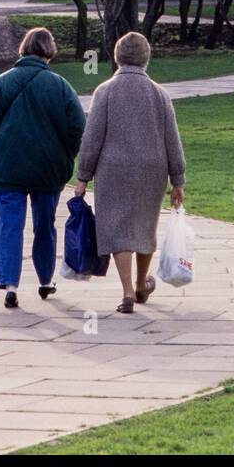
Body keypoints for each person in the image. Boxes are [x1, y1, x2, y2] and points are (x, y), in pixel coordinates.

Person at [0, 26, 86, 308]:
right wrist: (65, 156)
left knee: (9, 224)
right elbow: (78, 127)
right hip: (48, 171)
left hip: (7, 171)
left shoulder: (1, 84)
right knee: (45, 225)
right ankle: (45, 280)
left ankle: (10, 284)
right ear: (49, 51)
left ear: (23, 48)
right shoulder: (61, 86)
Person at [75, 30, 185, 313]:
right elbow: (172, 139)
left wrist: (83, 176)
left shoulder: (105, 91)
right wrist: (178, 179)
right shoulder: (160, 94)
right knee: (144, 228)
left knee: (117, 228)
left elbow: (92, 137)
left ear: (117, 56)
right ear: (147, 58)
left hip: (113, 170)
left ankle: (126, 292)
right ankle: (140, 285)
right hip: (152, 169)